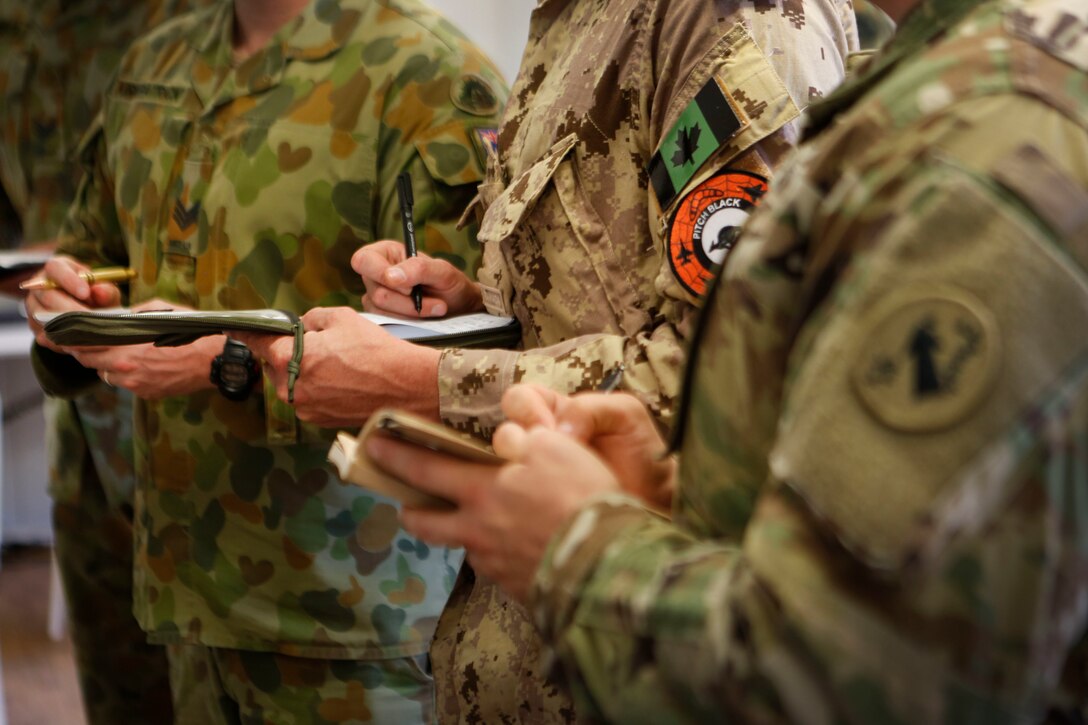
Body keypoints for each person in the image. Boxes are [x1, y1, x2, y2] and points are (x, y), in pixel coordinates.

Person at [367, 0, 1088, 720]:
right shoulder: (949, 76)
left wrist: (573, 547)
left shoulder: (994, 130)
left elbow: (854, 671)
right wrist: (683, 472)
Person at [244, 0, 859, 720]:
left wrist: (424, 381)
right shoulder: (578, 19)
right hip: (520, 648)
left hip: (639, 654)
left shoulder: (719, 18)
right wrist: (470, 309)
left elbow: (728, 371)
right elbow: (612, 291)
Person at [24, 0, 506, 721]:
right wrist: (68, 300)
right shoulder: (154, 66)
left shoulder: (428, 75)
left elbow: (469, 361)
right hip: (188, 586)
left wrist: (229, 362)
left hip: (348, 610)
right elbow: (99, 250)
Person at [0, 2, 209, 722]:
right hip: (81, 423)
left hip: (209, 438)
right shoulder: (18, 25)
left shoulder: (204, 25)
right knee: (120, 693)